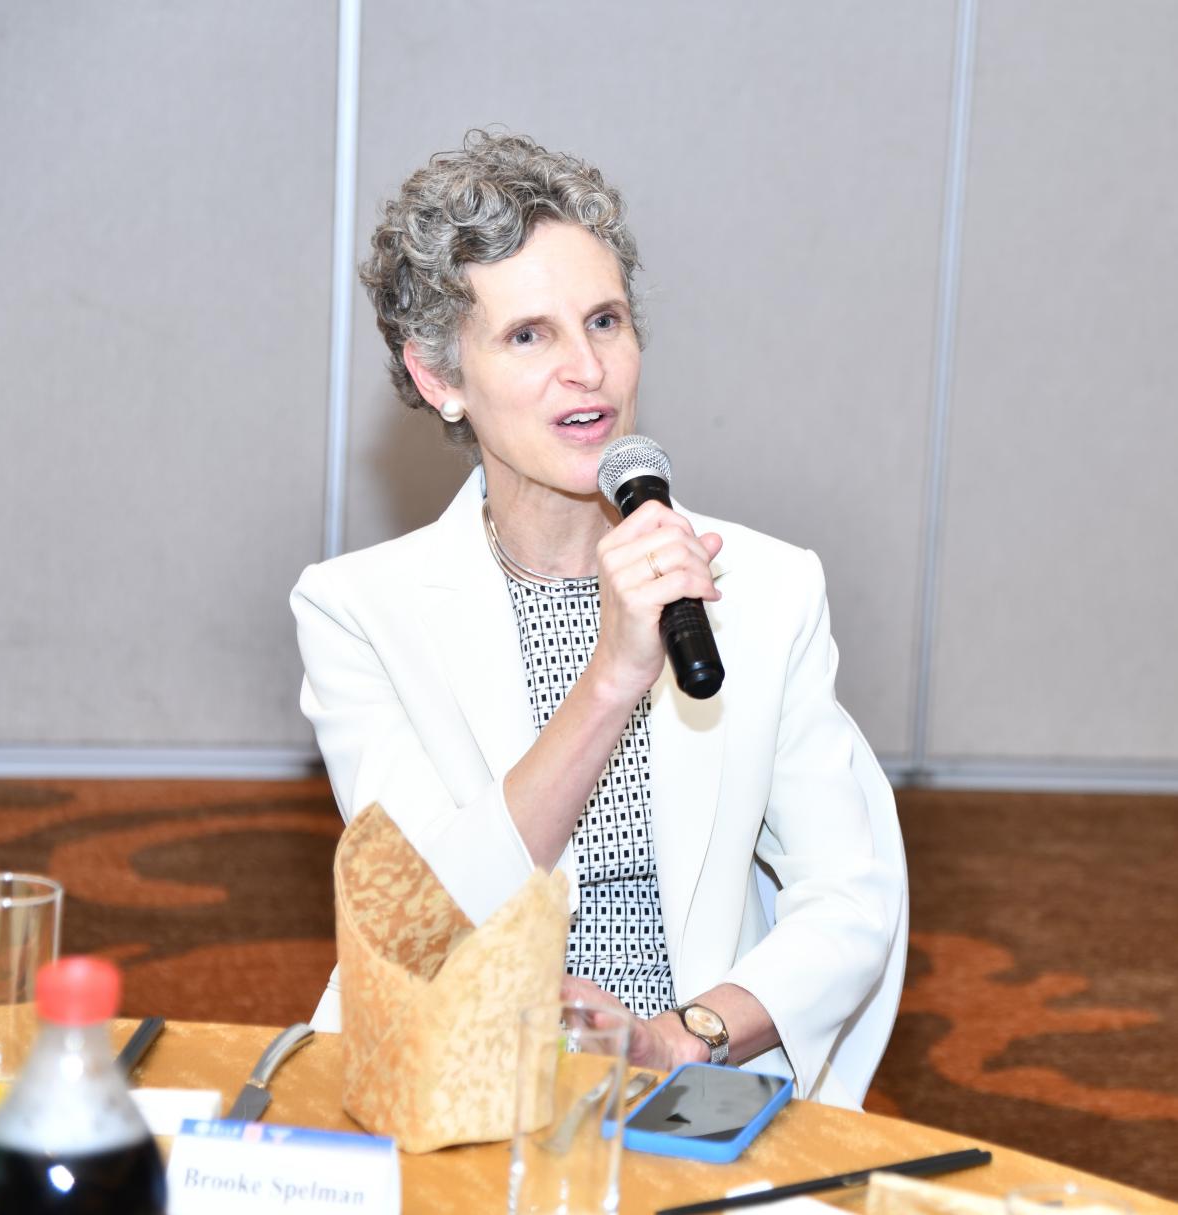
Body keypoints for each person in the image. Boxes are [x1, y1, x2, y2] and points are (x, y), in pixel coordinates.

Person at [291, 129, 906, 1108]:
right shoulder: (361, 612)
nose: (587, 368)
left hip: (694, 1088)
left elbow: (849, 900)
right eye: (528, 336)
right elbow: (422, 922)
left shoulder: (765, 588)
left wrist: (681, 1038)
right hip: (461, 1080)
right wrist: (612, 677)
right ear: (440, 378)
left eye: (604, 321)